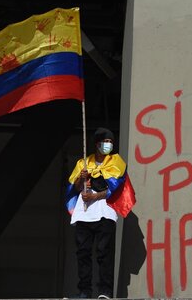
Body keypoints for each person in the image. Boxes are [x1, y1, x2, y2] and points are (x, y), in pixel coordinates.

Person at [65, 127, 128, 299]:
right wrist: (81, 177)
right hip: (84, 213)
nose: (108, 145)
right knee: (83, 252)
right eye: (105, 142)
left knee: (104, 251)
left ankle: (105, 291)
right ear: (97, 144)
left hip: (105, 211)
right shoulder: (84, 163)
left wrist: (95, 195)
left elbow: (115, 189)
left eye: (110, 142)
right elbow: (75, 188)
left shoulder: (116, 162)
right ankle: (84, 291)